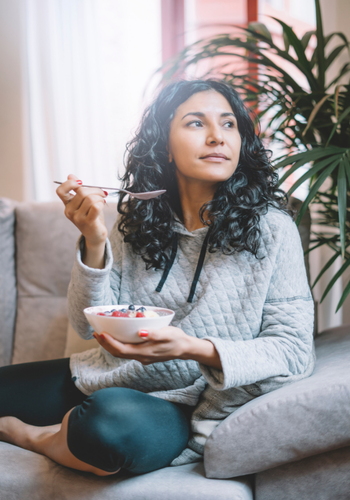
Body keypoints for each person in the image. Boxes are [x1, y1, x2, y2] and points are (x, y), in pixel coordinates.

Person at [0, 79, 315, 476]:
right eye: (196, 124)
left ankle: (34, 436)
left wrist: (194, 348)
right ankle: (69, 432)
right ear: (164, 145)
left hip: (179, 404)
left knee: (108, 427)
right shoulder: (138, 220)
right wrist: (94, 238)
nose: (218, 136)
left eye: (229, 124)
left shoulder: (273, 229)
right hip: (107, 375)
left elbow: (294, 350)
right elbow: (85, 324)